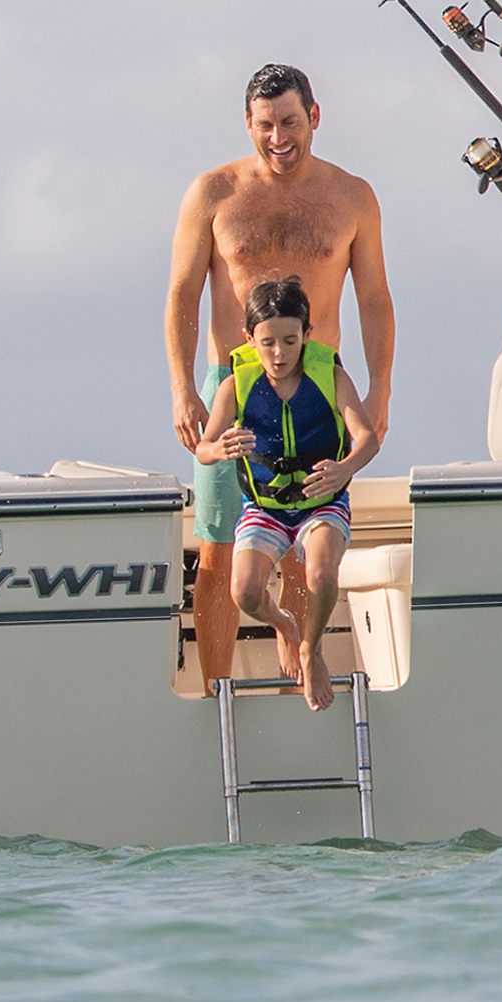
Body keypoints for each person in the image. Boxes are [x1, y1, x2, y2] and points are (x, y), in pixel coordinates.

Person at [164, 62, 393, 691]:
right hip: (232, 385)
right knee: (216, 549)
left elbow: (374, 297)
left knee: (303, 540)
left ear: (314, 117)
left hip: (322, 387)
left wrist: (380, 390)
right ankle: (215, 695)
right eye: (265, 125)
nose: (278, 137)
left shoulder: (352, 196)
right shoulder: (213, 193)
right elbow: (182, 294)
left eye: (290, 122)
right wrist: (184, 386)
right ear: (248, 124)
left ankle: (301, 679)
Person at [207, 277, 369, 708]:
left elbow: (366, 437)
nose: (279, 354)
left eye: (290, 341)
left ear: (307, 334)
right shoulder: (234, 386)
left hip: (322, 502)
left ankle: (310, 649)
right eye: (268, 343)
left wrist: (345, 469)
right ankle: (284, 625)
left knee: (321, 574)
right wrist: (218, 447)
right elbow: (205, 448)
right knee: (243, 592)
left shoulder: (330, 376)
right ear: (249, 339)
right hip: (266, 507)